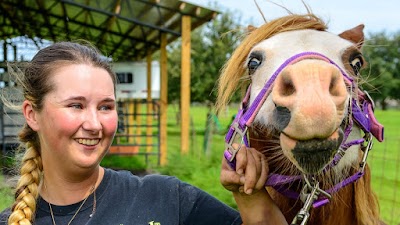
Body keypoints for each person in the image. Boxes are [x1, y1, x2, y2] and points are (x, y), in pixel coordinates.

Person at [0, 41, 286, 225]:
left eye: (105, 107)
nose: (94, 124)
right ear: (31, 114)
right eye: (76, 105)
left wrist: (250, 197)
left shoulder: (168, 200)